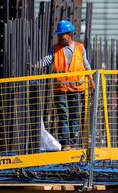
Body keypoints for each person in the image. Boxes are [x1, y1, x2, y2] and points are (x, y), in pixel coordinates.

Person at [29, 20, 92, 150]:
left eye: (61, 34)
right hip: (60, 90)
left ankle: (73, 143)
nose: (59, 37)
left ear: (69, 34)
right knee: (63, 116)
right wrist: (36, 66)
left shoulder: (80, 48)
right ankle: (65, 144)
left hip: (76, 89)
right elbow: (48, 59)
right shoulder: (55, 48)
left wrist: (91, 80)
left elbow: (86, 65)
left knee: (74, 116)